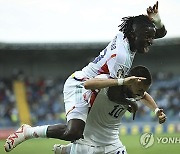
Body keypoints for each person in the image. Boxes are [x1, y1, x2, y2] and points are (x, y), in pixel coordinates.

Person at [4, 1, 167, 152]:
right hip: (82, 85)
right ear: (133, 35)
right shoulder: (121, 58)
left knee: (91, 135)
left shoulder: (126, 36)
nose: (150, 41)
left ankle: (68, 150)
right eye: (147, 37)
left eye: (151, 37)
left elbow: (157, 32)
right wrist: (129, 103)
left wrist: (156, 21)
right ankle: (28, 131)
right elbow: (113, 92)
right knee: (74, 132)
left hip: (98, 87)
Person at [53, 65, 166, 154]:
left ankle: (67, 150)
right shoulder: (109, 82)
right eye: (140, 89)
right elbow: (88, 84)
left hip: (111, 139)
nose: (141, 93)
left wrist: (156, 110)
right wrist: (121, 84)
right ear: (132, 82)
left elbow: (145, 96)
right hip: (89, 134)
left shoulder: (135, 91)